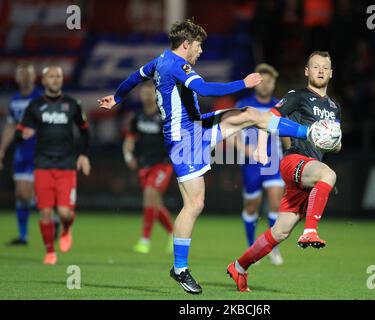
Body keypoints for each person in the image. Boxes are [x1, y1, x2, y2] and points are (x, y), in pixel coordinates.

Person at [98, 19, 320, 295]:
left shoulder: (158, 61)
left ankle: (309, 131)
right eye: (199, 45)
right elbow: (205, 90)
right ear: (186, 44)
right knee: (194, 204)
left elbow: (134, 77)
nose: (200, 51)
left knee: (250, 114)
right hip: (184, 141)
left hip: (197, 126)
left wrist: (117, 98)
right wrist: (244, 82)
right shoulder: (175, 65)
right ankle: (179, 269)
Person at [227, 51, 342, 292]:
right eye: (315, 66)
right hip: (294, 161)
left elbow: (336, 144)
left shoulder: (334, 108)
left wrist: (334, 141)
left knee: (280, 231)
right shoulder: (297, 96)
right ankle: (310, 231)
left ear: (331, 73)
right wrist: (259, 148)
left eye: (325, 67)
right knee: (329, 175)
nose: (320, 70)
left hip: (309, 173)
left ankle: (239, 267)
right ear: (306, 72)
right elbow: (267, 118)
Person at [16, 66, 91, 265]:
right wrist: (21, 134)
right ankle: (50, 251)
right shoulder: (34, 105)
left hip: (67, 165)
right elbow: (19, 130)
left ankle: (66, 228)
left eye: (58, 76)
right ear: (43, 80)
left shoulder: (73, 104)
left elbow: (84, 131)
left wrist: (83, 155)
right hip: (43, 164)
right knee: (46, 212)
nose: (56, 79)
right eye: (51, 76)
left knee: (65, 213)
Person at [234, 63, 288, 266]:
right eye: (262, 81)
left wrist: (290, 155)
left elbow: (285, 134)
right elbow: (232, 132)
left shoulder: (281, 106)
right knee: (251, 207)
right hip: (251, 164)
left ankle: (272, 248)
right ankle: (252, 247)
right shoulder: (244, 104)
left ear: (274, 83)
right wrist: (244, 149)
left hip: (274, 162)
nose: (266, 85)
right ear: (256, 83)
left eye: (270, 81)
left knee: (276, 204)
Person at [123, 82, 174, 254]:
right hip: (145, 164)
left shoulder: (164, 115)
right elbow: (129, 140)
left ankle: (145, 240)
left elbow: (174, 139)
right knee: (156, 204)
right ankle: (174, 234)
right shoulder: (137, 117)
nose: (147, 96)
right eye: (144, 93)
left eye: (149, 93)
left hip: (162, 163)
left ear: (156, 94)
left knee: (150, 194)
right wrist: (128, 156)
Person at [0, 64, 41, 245]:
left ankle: (52, 217)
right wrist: (2, 149)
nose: (24, 76)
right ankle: (23, 236)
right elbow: (10, 126)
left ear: (34, 77)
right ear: (16, 78)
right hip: (20, 151)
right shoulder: (15, 100)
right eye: (21, 73)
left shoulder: (40, 98)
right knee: (20, 194)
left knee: (28, 192)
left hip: (38, 150)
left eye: (28, 73)